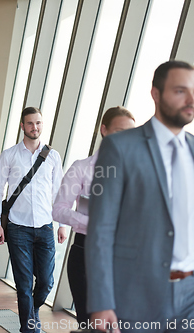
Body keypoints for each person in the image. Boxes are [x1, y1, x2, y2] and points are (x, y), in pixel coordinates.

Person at [85, 60, 194, 333]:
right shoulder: (119, 147)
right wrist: (101, 301)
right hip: (139, 291)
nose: (191, 100)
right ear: (156, 94)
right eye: (180, 91)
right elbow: (102, 229)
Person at [52, 106, 135, 325]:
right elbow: (58, 209)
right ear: (104, 130)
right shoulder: (81, 168)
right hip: (86, 254)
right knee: (91, 324)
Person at [0, 106, 67, 333]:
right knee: (24, 286)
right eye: (30, 123)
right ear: (22, 126)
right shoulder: (10, 155)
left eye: (39, 123)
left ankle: (31, 313)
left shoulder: (53, 156)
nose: (35, 127)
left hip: (45, 227)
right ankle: (29, 329)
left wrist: (62, 224)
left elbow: (59, 192)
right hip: (17, 228)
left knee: (46, 282)